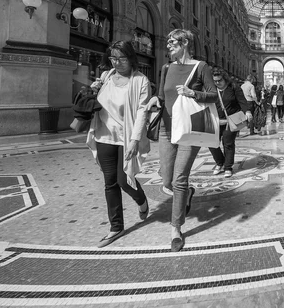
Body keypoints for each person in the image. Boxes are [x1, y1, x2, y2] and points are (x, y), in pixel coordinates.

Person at [147, 29, 218, 252]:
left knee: (179, 178)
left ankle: (176, 228)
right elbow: (162, 95)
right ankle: (187, 194)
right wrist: (153, 99)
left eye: (172, 42)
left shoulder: (201, 67)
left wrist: (192, 93)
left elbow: (213, 94)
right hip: (167, 130)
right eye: (167, 41)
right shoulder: (166, 68)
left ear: (185, 42)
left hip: (188, 128)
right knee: (166, 179)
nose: (168, 45)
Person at [86, 41, 151, 248]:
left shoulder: (141, 81)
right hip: (104, 135)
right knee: (110, 182)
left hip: (126, 137)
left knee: (124, 180)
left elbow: (142, 111)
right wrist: (94, 89)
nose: (117, 62)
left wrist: (135, 139)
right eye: (113, 58)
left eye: (122, 58)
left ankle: (141, 201)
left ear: (131, 58)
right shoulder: (106, 77)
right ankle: (116, 227)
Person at [210, 68, 251, 177]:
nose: (217, 83)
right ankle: (220, 162)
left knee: (228, 144)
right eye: (215, 81)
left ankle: (228, 167)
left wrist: (247, 111)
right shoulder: (212, 89)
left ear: (225, 79)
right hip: (215, 120)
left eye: (220, 80)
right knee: (211, 143)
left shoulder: (233, 88)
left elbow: (242, 101)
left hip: (231, 120)